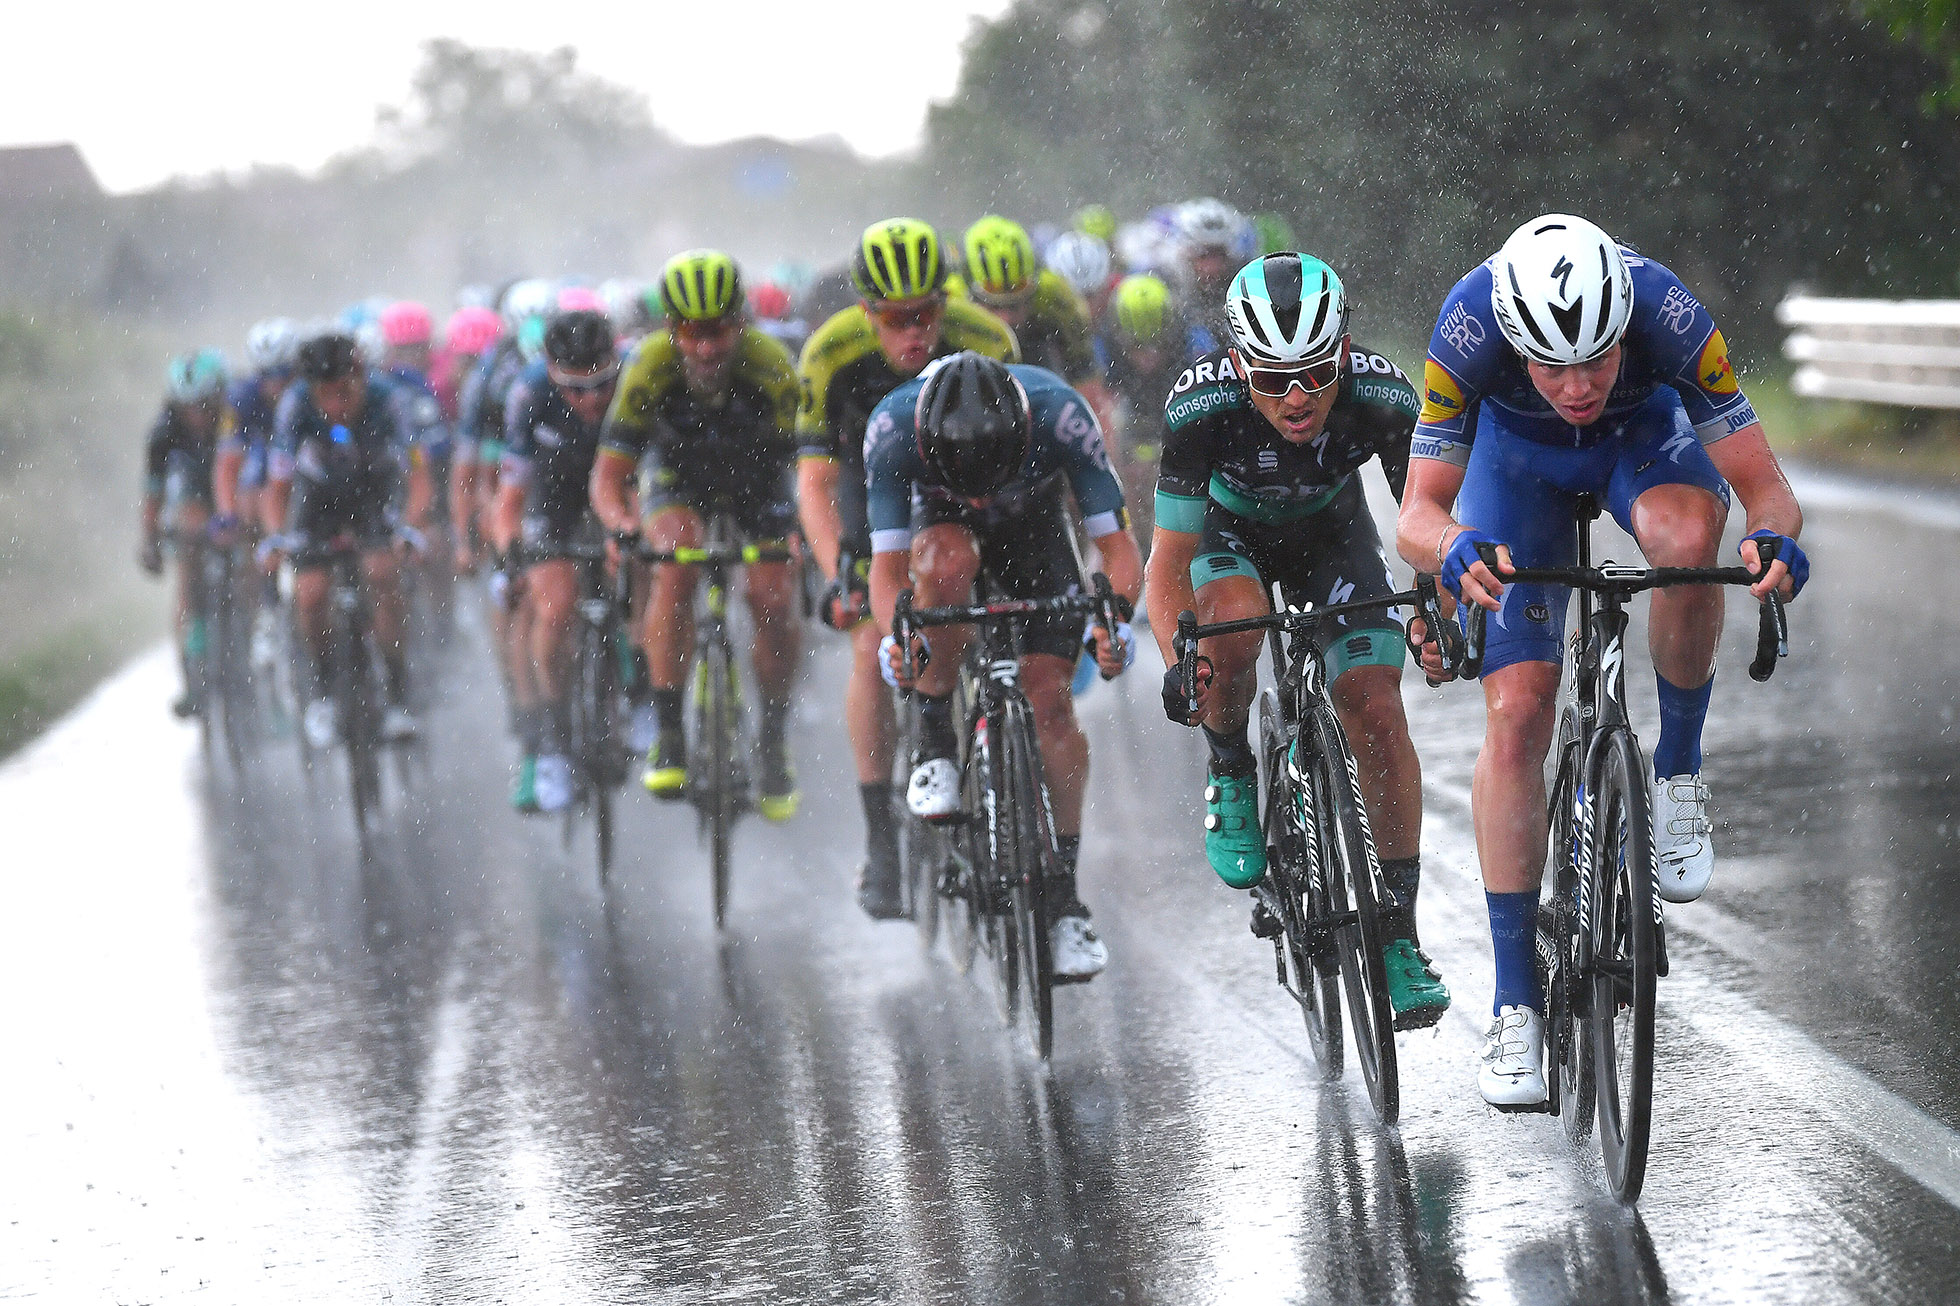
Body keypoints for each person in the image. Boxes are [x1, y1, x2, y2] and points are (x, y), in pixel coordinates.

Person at [1393, 213, 1808, 1106]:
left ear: (1626, 326)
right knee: (1517, 713)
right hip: (1514, 469)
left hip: (1643, 446)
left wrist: (1774, 535)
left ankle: (1678, 771)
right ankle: (1515, 1006)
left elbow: (1763, 486)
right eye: (1551, 365)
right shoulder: (1467, 324)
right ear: (1514, 340)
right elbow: (1417, 514)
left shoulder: (1670, 312)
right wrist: (1454, 544)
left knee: (1690, 542)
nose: (1577, 386)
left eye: (1596, 360)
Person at [1145, 252, 1450, 1029]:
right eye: (1272, 379)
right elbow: (1168, 565)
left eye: (1315, 373)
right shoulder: (1198, 408)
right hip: (1230, 534)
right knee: (1234, 632)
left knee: (1376, 709)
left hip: (1331, 533)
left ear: (1343, 353)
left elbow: (1430, 522)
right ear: (1237, 364)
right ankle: (1231, 769)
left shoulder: (1382, 396)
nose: (1296, 397)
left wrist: (1440, 611)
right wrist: (1184, 665)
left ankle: (1398, 935)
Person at [867, 352, 1142, 975]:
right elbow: (886, 574)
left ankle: (1064, 900)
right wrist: (899, 638)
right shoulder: (891, 427)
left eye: (993, 476)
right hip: (942, 531)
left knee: (1051, 701)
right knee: (945, 564)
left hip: (1035, 530)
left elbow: (1120, 552)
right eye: (968, 480)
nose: (981, 493)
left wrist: (1113, 619)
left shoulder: (1062, 415)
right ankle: (935, 736)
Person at [795, 218, 1019, 916]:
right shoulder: (830, 354)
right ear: (867, 313)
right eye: (895, 320)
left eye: (925, 314)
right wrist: (841, 572)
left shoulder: (987, 341)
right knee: (871, 643)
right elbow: (813, 483)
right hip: (877, 485)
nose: (913, 333)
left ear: (945, 304)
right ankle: (881, 846)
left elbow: (1033, 458)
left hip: (971, 479)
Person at [592, 249, 804, 820]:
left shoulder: (772, 363)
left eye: (719, 332)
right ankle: (670, 733)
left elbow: (809, 462)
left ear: (742, 322)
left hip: (759, 476)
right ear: (670, 328)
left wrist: (802, 530)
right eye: (691, 333)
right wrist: (623, 524)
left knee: (770, 596)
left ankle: (774, 738)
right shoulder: (648, 364)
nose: (706, 348)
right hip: (677, 475)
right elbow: (609, 476)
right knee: (675, 565)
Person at [265, 331, 425, 748]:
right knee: (312, 594)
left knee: (381, 572)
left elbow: (419, 475)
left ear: (361, 378)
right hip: (317, 501)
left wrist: (409, 525)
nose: (336, 405)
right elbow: (278, 485)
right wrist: (276, 536)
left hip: (375, 494)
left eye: (345, 392)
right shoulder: (295, 406)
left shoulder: (389, 400)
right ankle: (321, 690)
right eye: (325, 395)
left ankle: (396, 691)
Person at [490, 309, 621, 813]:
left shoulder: (635, 379)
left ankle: (640, 690)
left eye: (601, 385)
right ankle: (555, 737)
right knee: (556, 608)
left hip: (621, 484)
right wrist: (509, 553)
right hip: (555, 493)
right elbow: (510, 495)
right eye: (575, 389)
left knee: (648, 564)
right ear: (550, 372)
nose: (590, 399)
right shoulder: (527, 394)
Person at [139, 349, 232, 718]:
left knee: (248, 570)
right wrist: (150, 541)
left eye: (205, 404)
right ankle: (191, 673)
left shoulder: (237, 417)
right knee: (186, 575)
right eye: (188, 406)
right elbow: (154, 494)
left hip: (233, 488)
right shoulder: (163, 433)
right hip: (194, 493)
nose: (197, 415)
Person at [953, 215, 1114, 430]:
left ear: (1033, 289)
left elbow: (1089, 390)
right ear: (969, 295)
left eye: (1015, 305)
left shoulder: (1057, 298)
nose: (1005, 319)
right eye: (993, 306)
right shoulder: (952, 304)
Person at [1099, 273, 1219, 549]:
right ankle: (1139, 542)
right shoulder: (1105, 344)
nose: (1148, 358)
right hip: (1135, 414)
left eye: (1157, 345)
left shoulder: (1194, 341)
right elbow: (1101, 402)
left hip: (1184, 408)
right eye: (1138, 347)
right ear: (1120, 337)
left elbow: (1214, 400)